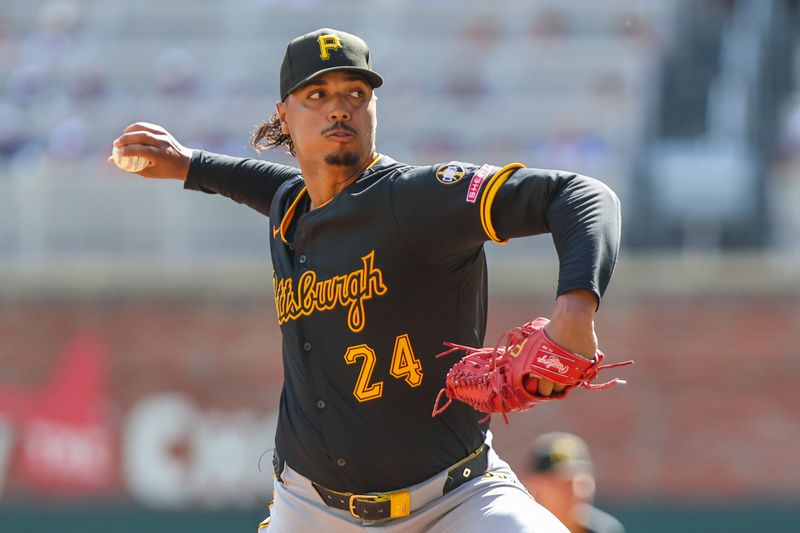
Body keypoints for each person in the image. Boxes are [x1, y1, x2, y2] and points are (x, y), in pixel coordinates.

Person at [110, 28, 621, 533]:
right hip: (308, 510)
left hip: (456, 502)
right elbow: (258, 181)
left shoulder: (417, 201)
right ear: (284, 115)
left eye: (356, 93)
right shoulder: (293, 203)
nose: (340, 108)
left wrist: (575, 310)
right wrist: (189, 164)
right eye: (318, 94)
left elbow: (582, 195)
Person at [519, 432, 626, 533]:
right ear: (534, 484)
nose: (575, 491)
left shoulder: (604, 529)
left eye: (581, 482)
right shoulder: (516, 527)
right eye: (562, 482)